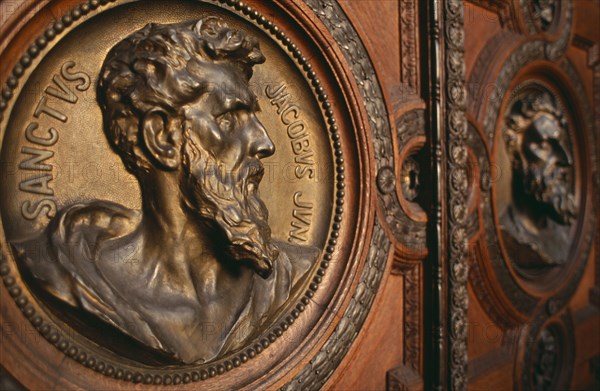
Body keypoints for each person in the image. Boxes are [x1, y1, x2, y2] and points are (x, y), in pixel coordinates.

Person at [15, 17, 316, 364]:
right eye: (230, 118)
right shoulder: (67, 277)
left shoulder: (296, 275)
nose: (264, 143)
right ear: (162, 138)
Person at [499, 90, 576, 268]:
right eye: (545, 146)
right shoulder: (506, 231)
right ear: (516, 155)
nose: (565, 161)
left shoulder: (562, 234)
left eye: (560, 145)